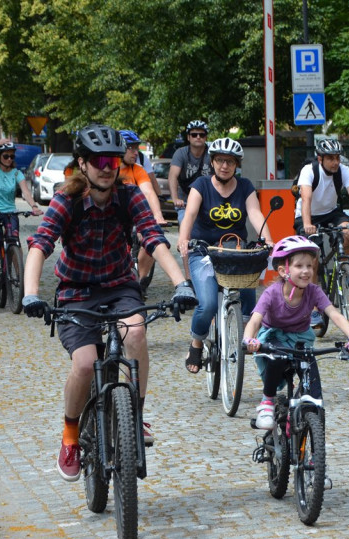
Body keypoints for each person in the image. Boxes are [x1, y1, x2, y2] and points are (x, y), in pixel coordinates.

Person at [21, 124, 196, 482]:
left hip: (119, 287)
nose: (107, 166)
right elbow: (40, 245)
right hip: (76, 291)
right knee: (85, 364)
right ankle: (70, 438)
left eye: (113, 160)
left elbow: (153, 239)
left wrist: (181, 284)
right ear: (82, 164)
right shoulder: (66, 200)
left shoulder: (129, 198)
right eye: (99, 160)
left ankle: (136, 414)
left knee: (135, 333)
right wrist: (31, 293)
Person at [242, 236, 349, 429]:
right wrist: (249, 339)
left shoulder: (314, 291)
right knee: (277, 357)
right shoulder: (272, 293)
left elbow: (334, 314)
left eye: (310, 266)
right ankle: (267, 402)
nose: (306, 271)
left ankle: (314, 436)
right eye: (299, 266)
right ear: (283, 270)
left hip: (301, 339)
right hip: (274, 337)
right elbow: (255, 319)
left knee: (311, 377)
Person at [177, 137, 273, 374]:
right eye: (220, 160)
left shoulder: (245, 186)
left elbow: (255, 213)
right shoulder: (201, 185)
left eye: (230, 161)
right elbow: (189, 214)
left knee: (249, 300)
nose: (224, 166)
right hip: (204, 251)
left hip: (235, 251)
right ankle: (197, 342)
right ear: (212, 161)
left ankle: (239, 335)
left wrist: (269, 239)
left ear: (236, 165)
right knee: (207, 305)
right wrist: (183, 240)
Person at [293, 138, 349, 328]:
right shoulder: (309, 171)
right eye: (330, 158)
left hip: (331, 212)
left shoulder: (343, 171)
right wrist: (307, 224)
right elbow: (306, 198)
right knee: (311, 258)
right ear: (320, 158)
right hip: (307, 215)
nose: (335, 162)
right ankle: (314, 309)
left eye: (337, 158)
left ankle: (343, 264)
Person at [0, 139, 43, 284]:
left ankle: (21, 277)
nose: (9, 159)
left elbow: (26, 192)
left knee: (14, 241)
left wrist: (34, 206)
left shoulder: (16, 174)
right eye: (6, 156)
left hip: (9, 212)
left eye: (12, 156)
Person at [119, 130, 169, 291]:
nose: (136, 152)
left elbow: (148, 192)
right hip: (115, 217)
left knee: (154, 239)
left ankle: (137, 282)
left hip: (135, 215)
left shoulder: (137, 169)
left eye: (137, 148)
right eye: (131, 148)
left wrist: (158, 216)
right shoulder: (110, 169)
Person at [168, 119, 212, 211]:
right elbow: (173, 176)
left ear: (206, 137)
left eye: (202, 135)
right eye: (194, 135)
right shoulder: (180, 153)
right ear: (188, 137)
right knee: (184, 221)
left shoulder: (212, 154)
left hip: (207, 201)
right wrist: (175, 199)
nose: (198, 137)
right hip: (184, 202)